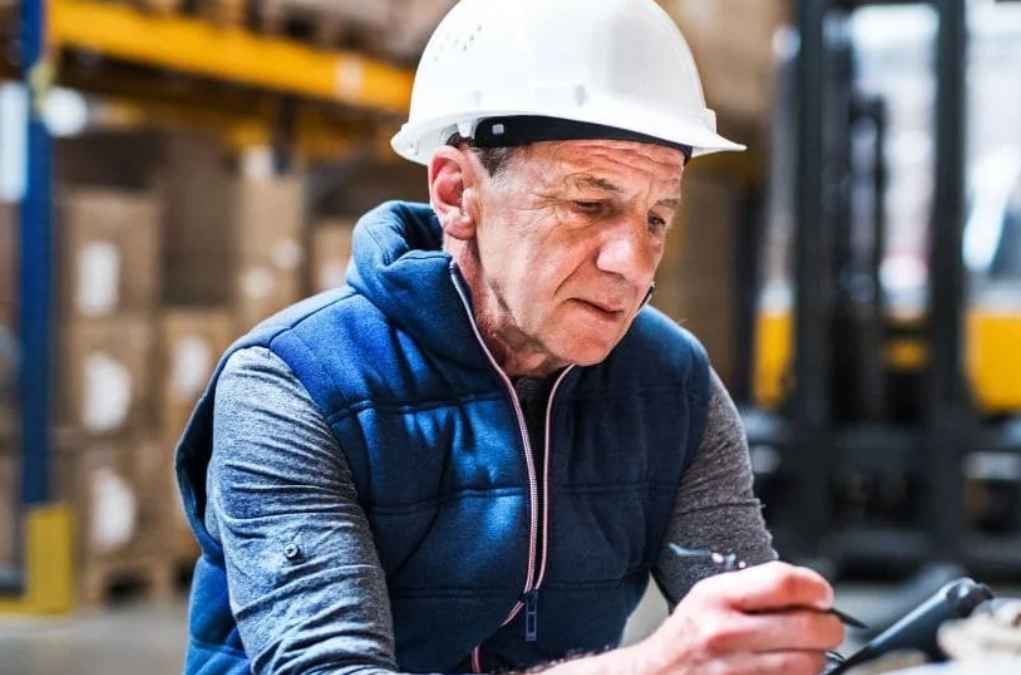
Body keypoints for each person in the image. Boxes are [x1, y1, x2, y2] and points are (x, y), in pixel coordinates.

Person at [174, 1, 844, 673]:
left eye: (657, 218)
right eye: (589, 205)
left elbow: (750, 633)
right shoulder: (295, 385)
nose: (633, 264)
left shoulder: (670, 386)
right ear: (456, 191)